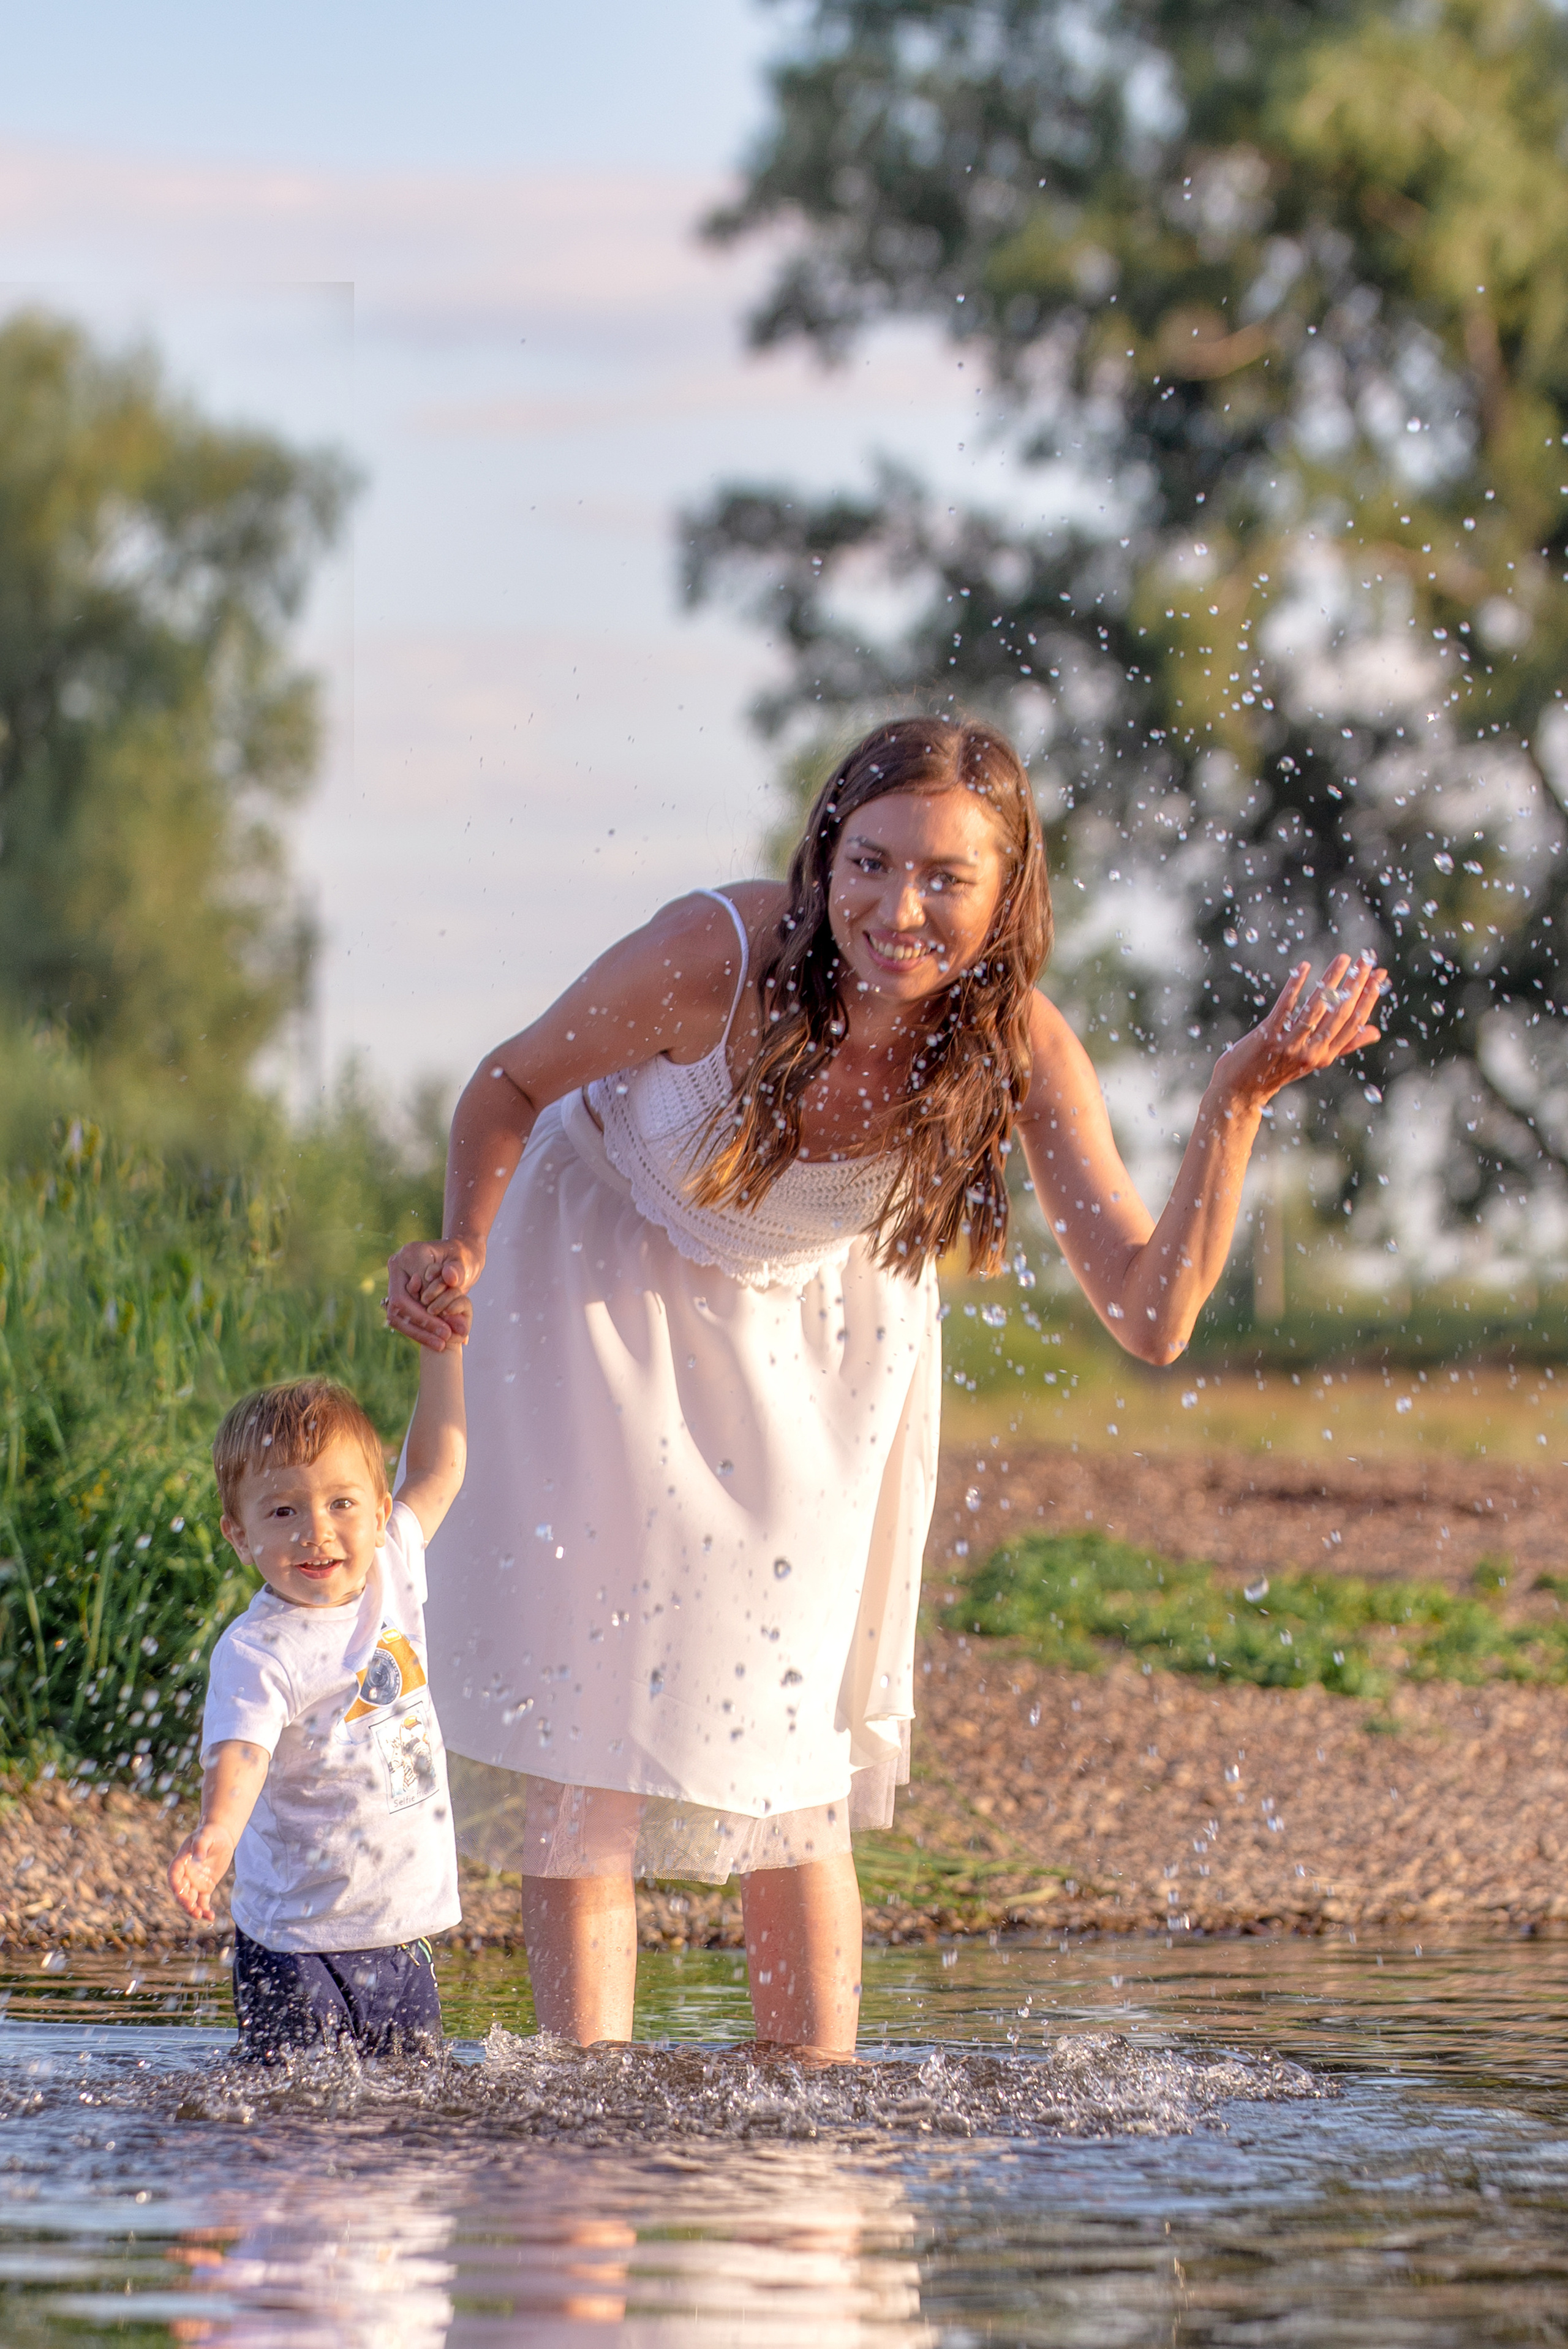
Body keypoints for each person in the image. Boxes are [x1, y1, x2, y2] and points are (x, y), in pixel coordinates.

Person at [385, 716, 1383, 2057]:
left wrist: (1234, 1103)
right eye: (867, 863)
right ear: (823, 856)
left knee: (795, 1738)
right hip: (598, 1275)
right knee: (595, 1715)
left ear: (1003, 893)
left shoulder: (1019, 1046)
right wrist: (460, 1242)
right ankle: (585, 2100)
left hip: (818, 1321)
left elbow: (1149, 1317)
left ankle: (813, 2101)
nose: (893, 909)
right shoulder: (718, 958)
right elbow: (505, 1085)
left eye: (941, 879)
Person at [168, 1333, 469, 2060]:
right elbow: (242, 1751)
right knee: (294, 2124)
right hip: (298, 1943)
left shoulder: (394, 1562)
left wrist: (444, 1350)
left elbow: (440, 1464)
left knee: (407, 2119)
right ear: (237, 1535)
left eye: (341, 1503)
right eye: (282, 1514)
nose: (318, 1532)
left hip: (402, 1932)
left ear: (378, 1510)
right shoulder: (259, 1649)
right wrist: (215, 1835)